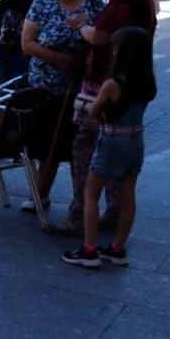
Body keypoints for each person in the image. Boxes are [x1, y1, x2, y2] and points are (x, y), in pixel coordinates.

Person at [63, 0, 156, 233]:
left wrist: (81, 26)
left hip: (106, 78)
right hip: (134, 79)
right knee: (117, 155)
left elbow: (100, 37)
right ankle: (114, 213)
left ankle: (81, 213)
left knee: (86, 147)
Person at [62, 26, 156, 268]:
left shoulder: (112, 84)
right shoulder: (148, 83)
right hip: (136, 140)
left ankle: (89, 249)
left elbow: (95, 112)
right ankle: (117, 248)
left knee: (91, 193)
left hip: (112, 140)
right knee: (128, 196)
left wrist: (90, 105)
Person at [20, 0, 104, 211]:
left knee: (76, 148)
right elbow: (27, 43)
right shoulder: (42, 3)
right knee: (44, 146)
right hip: (44, 87)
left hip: (79, 92)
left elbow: (103, 43)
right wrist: (59, 60)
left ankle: (79, 205)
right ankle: (40, 194)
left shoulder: (94, 5)